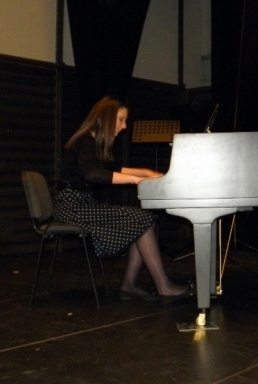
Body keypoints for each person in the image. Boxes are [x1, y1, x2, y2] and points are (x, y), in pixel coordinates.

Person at [54, 95, 194, 304]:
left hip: (79, 204)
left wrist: (147, 173)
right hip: (72, 206)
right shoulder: (84, 141)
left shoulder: (91, 142)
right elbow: (92, 174)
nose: (124, 126)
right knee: (143, 219)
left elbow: (113, 169)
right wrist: (136, 180)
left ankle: (129, 285)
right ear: (106, 118)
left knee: (142, 219)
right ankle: (163, 287)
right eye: (121, 119)